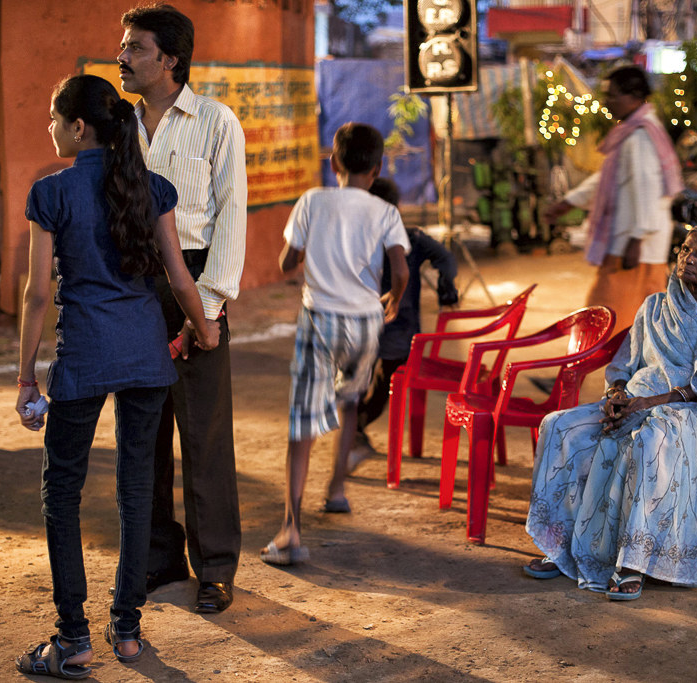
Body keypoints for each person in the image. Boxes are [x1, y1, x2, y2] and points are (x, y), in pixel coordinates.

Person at [14, 74, 217, 678]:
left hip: (84, 359)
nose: (50, 128)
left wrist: (26, 379)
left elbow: (36, 295)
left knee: (62, 494)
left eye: (55, 118)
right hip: (146, 357)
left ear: (79, 128)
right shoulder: (152, 187)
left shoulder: (51, 192)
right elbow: (179, 278)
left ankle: (73, 640)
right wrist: (204, 329)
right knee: (136, 490)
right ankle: (126, 632)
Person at [522, 224, 697, 600]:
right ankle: (561, 547)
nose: (689, 258)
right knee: (560, 426)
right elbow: (623, 364)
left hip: (685, 411)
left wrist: (649, 404)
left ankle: (634, 563)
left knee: (647, 442)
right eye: (685, 249)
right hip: (635, 398)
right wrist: (616, 395)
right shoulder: (655, 306)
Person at [117, 3, 247, 614]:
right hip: (132, 289)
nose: (122, 56)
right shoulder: (118, 127)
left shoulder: (216, 122)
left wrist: (209, 310)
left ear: (169, 59)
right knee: (142, 432)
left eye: (134, 47)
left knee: (204, 435)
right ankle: (155, 560)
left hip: (196, 284)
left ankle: (215, 567)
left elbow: (231, 217)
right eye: (124, 45)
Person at [262, 122, 410, 565]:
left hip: (321, 319)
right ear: (377, 168)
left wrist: (301, 251)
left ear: (334, 162)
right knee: (349, 403)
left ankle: (291, 530)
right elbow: (401, 270)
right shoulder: (385, 211)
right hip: (366, 322)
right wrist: (394, 299)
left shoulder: (313, 200)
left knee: (302, 424)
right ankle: (337, 490)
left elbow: (288, 261)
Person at [544, 64, 683, 336]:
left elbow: (649, 189)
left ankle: (591, 364)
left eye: (613, 95)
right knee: (631, 323)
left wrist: (636, 239)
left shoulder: (640, 136)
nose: (607, 101)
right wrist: (569, 202)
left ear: (634, 96)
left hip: (634, 249)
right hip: (632, 245)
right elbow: (608, 179)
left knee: (606, 322)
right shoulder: (631, 133)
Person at [348, 177, 458, 471]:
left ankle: (353, 430)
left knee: (357, 382)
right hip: (399, 330)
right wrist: (447, 288)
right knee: (385, 383)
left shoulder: (353, 239)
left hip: (361, 327)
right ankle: (356, 428)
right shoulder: (412, 238)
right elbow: (446, 259)